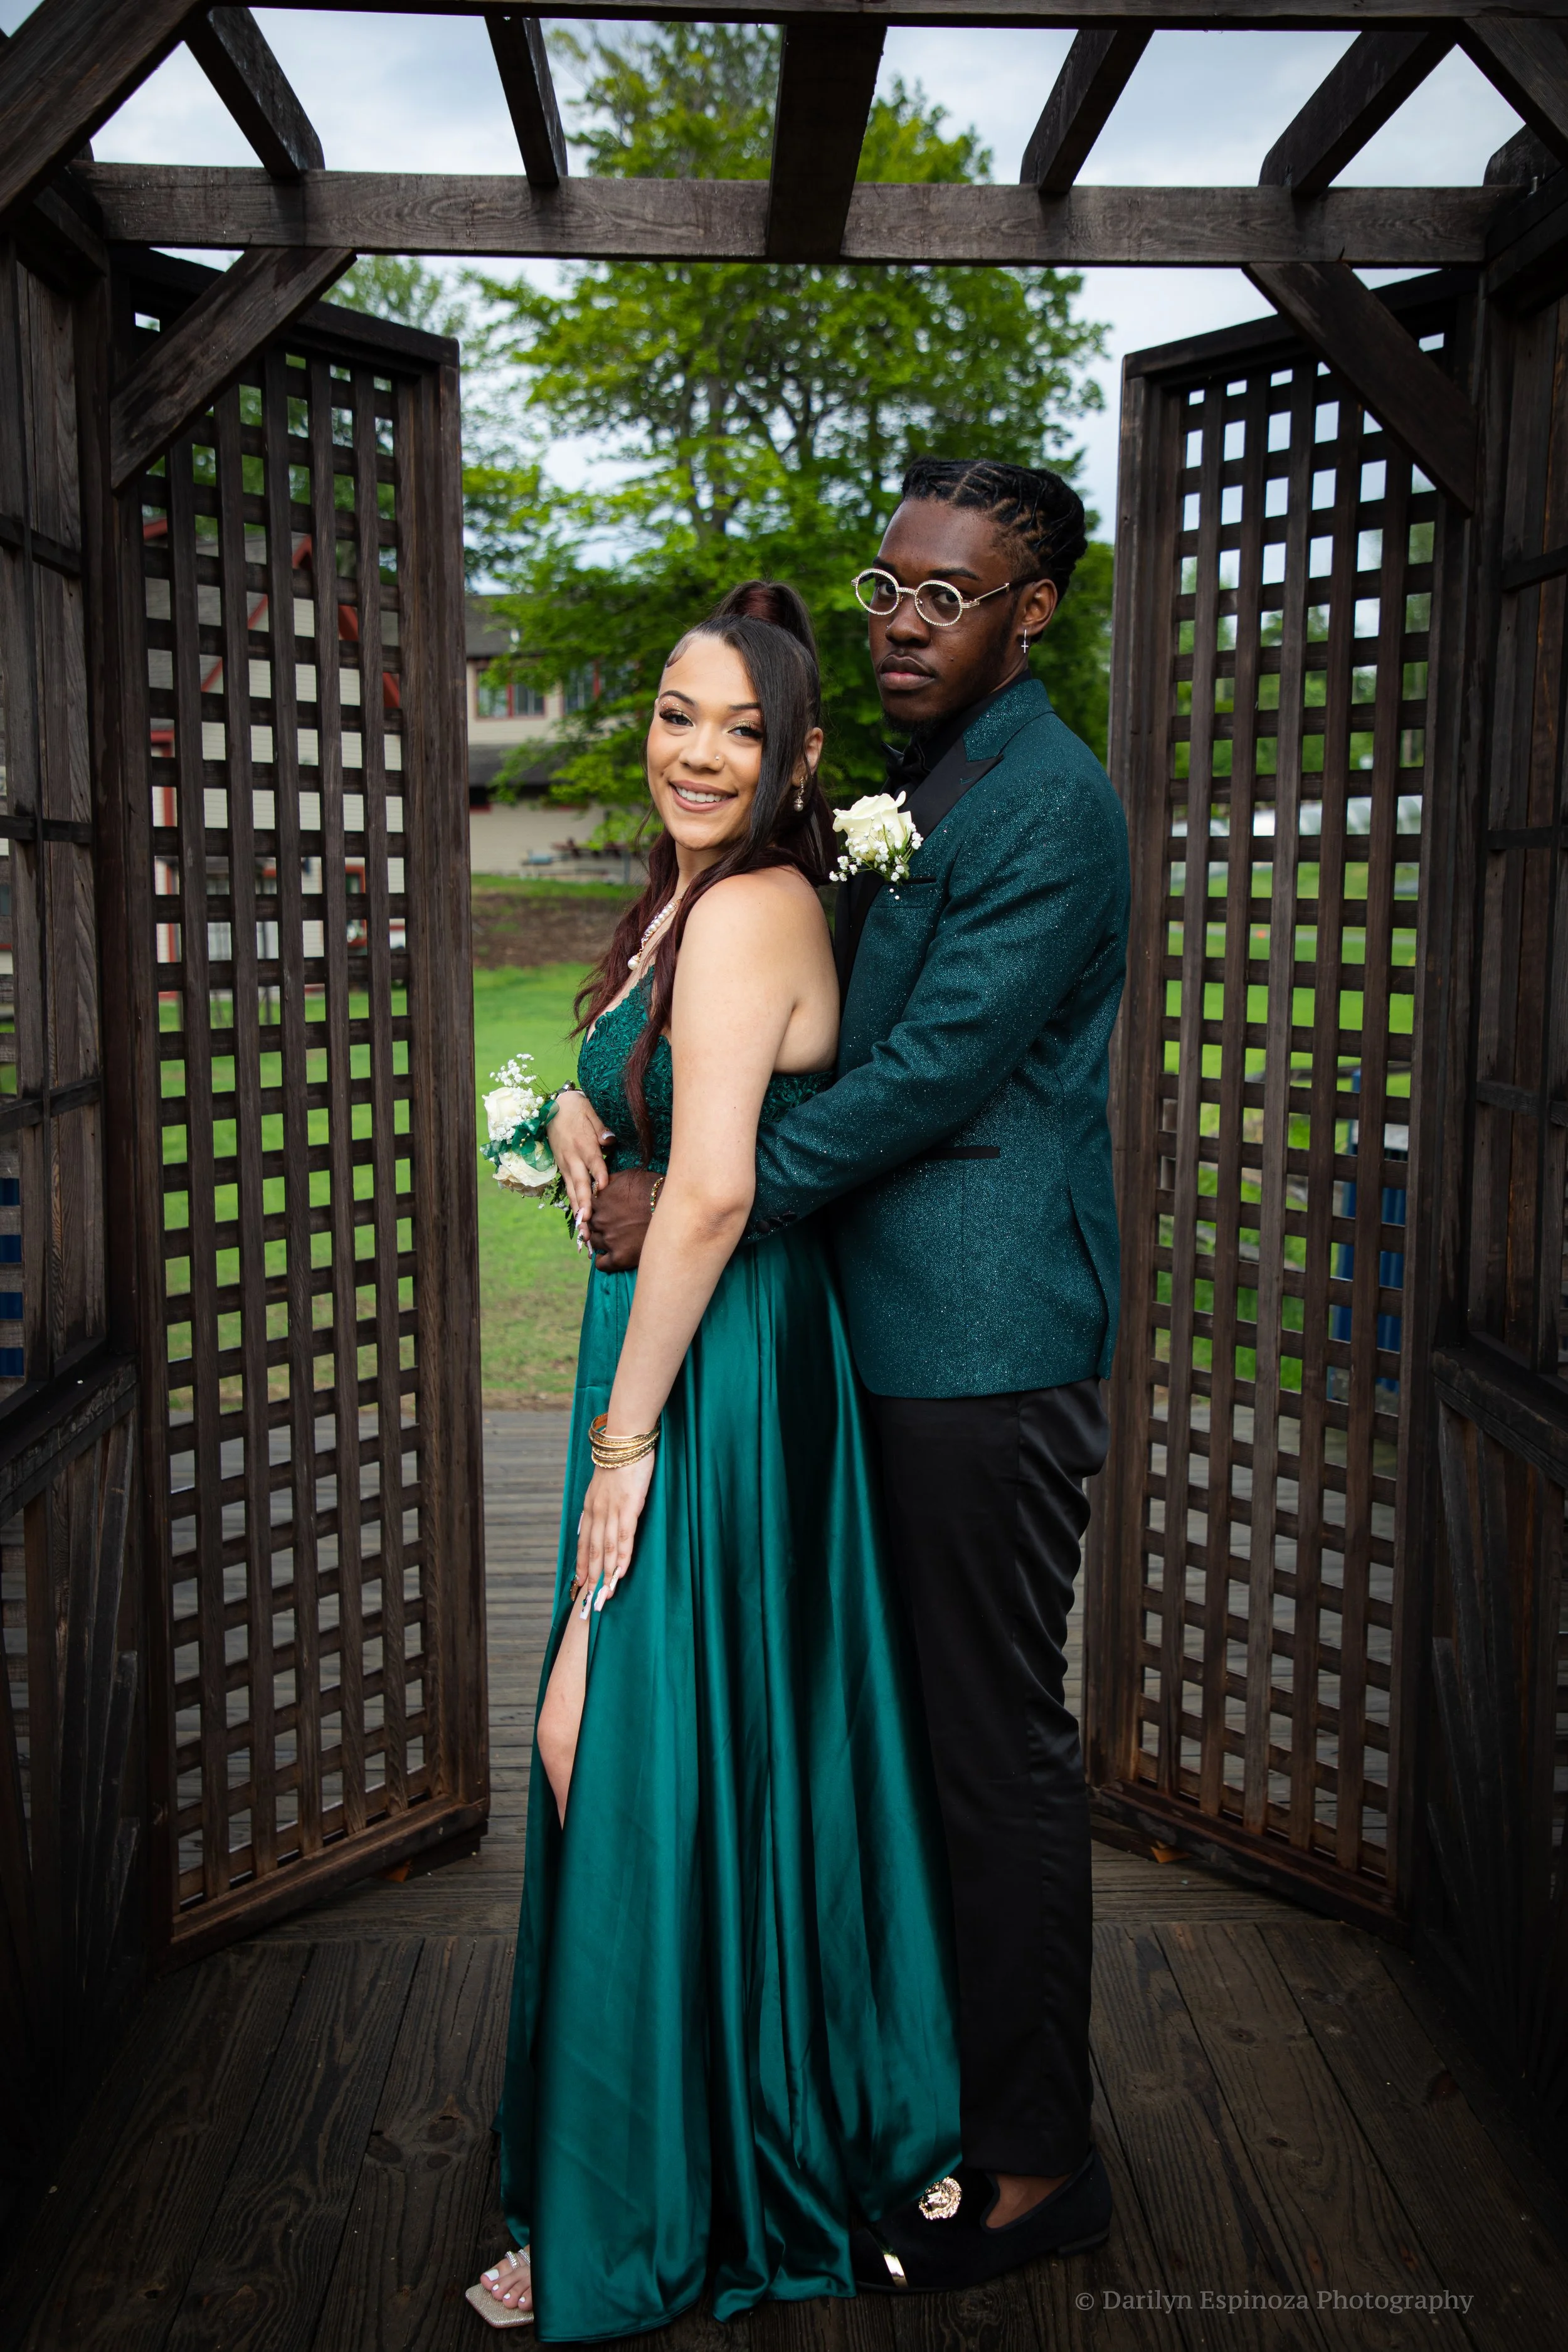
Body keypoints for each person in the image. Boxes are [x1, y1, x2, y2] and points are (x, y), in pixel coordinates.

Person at [571, 459, 1130, 2294]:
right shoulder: (911, 791)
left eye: (945, 597)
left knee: (989, 1751)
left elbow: (926, 1079)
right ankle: (881, 2094)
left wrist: (685, 1215)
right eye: (888, 588)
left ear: (1027, 615)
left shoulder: (1046, 806)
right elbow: (795, 1028)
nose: (900, 621)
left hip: (976, 1350)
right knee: (876, 1746)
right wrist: (598, 1095)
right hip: (853, 1346)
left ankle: (1037, 2163)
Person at [470, 583, 963, 2336]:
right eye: (681, 713)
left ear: (798, 758)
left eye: (741, 730)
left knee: (600, 1732)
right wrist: (585, 1106)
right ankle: (642, 2141)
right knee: (635, 1741)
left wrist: (619, 1444)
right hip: (688, 1343)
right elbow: (674, 1110)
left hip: (714, 1373)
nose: (699, 750)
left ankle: (650, 2188)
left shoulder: (752, 903)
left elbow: (725, 1185)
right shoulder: (689, 894)